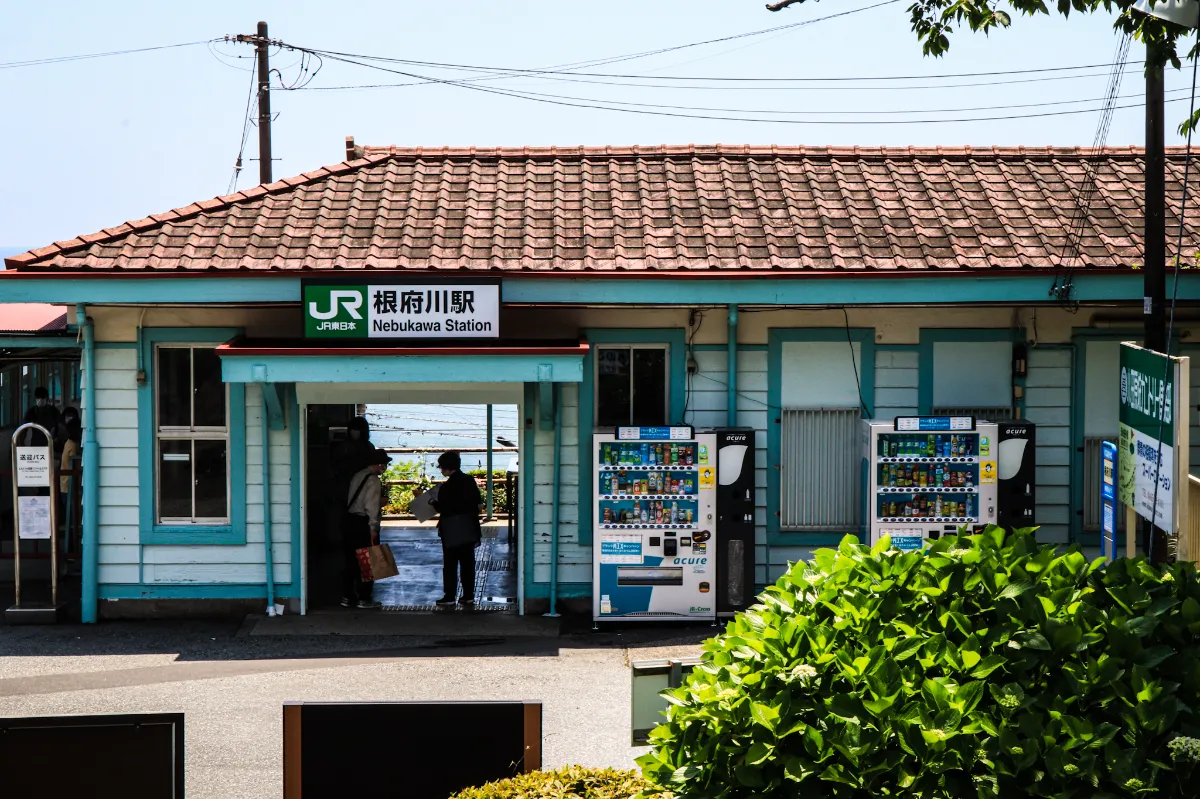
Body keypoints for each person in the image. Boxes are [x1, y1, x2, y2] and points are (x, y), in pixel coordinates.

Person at [430, 451, 483, 607]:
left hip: (451, 529)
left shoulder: (447, 487)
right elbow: (477, 502)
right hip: (468, 526)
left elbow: (443, 508)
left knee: (450, 564)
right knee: (468, 563)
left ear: (447, 468)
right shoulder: (469, 481)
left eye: (441, 467)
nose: (441, 470)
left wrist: (432, 502)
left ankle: (449, 595)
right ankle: (468, 595)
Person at [341, 447, 391, 610]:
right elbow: (371, 506)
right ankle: (364, 597)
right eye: (384, 465)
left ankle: (348, 596)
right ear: (378, 465)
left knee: (351, 560)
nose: (384, 468)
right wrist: (374, 526)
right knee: (368, 561)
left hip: (350, 520)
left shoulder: (358, 475)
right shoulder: (373, 480)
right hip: (363, 523)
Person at [58, 407, 81, 497]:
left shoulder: (68, 442)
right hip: (70, 485)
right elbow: (75, 464)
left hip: (65, 484)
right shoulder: (73, 445)